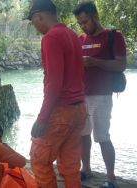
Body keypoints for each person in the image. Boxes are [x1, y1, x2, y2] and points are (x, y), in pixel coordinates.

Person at [25, 0, 86, 187]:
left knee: (39, 160)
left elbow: (54, 83)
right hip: (79, 109)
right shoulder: (73, 35)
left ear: (39, 16)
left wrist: (42, 119)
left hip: (61, 111)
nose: (35, 26)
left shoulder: (51, 38)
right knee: (70, 165)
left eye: (33, 21)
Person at [73, 2, 126, 188]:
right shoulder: (80, 39)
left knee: (102, 136)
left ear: (95, 16)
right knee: (83, 135)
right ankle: (85, 169)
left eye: (85, 21)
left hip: (102, 96)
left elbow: (120, 65)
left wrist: (94, 62)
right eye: (80, 23)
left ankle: (111, 178)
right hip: (82, 95)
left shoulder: (114, 36)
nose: (83, 26)